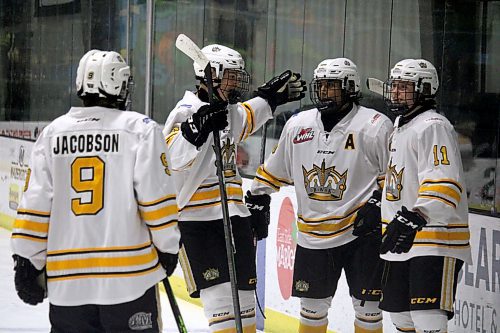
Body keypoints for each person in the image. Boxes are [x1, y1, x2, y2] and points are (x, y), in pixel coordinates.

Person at [11, 50, 181, 333]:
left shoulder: (52, 134)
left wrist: (27, 261)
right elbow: (157, 202)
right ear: (119, 85)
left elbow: (34, 208)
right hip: (129, 283)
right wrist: (168, 247)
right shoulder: (141, 130)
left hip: (68, 289)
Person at [163, 43, 306, 332]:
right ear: (211, 75)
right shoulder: (188, 110)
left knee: (245, 309)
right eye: (230, 76)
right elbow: (171, 156)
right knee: (221, 308)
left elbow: (246, 117)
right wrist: (196, 130)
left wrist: (268, 99)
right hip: (197, 223)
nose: (236, 82)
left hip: (234, 218)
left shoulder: (226, 110)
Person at [250, 58, 392, 333]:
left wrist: (377, 203)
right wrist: (257, 197)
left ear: (349, 88)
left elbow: (395, 177)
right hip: (311, 236)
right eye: (321, 85)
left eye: (332, 86)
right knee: (312, 311)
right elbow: (274, 169)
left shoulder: (375, 125)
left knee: (369, 310)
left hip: (362, 234)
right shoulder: (298, 125)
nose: (325, 92)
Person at [376, 58, 472, 333]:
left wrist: (416, 216)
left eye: (404, 87)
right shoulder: (401, 126)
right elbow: (401, 176)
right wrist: (376, 199)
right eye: (394, 86)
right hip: (401, 236)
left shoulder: (433, 125)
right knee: (401, 317)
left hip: (434, 238)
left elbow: (445, 182)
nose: (395, 93)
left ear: (425, 89)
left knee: (427, 317)